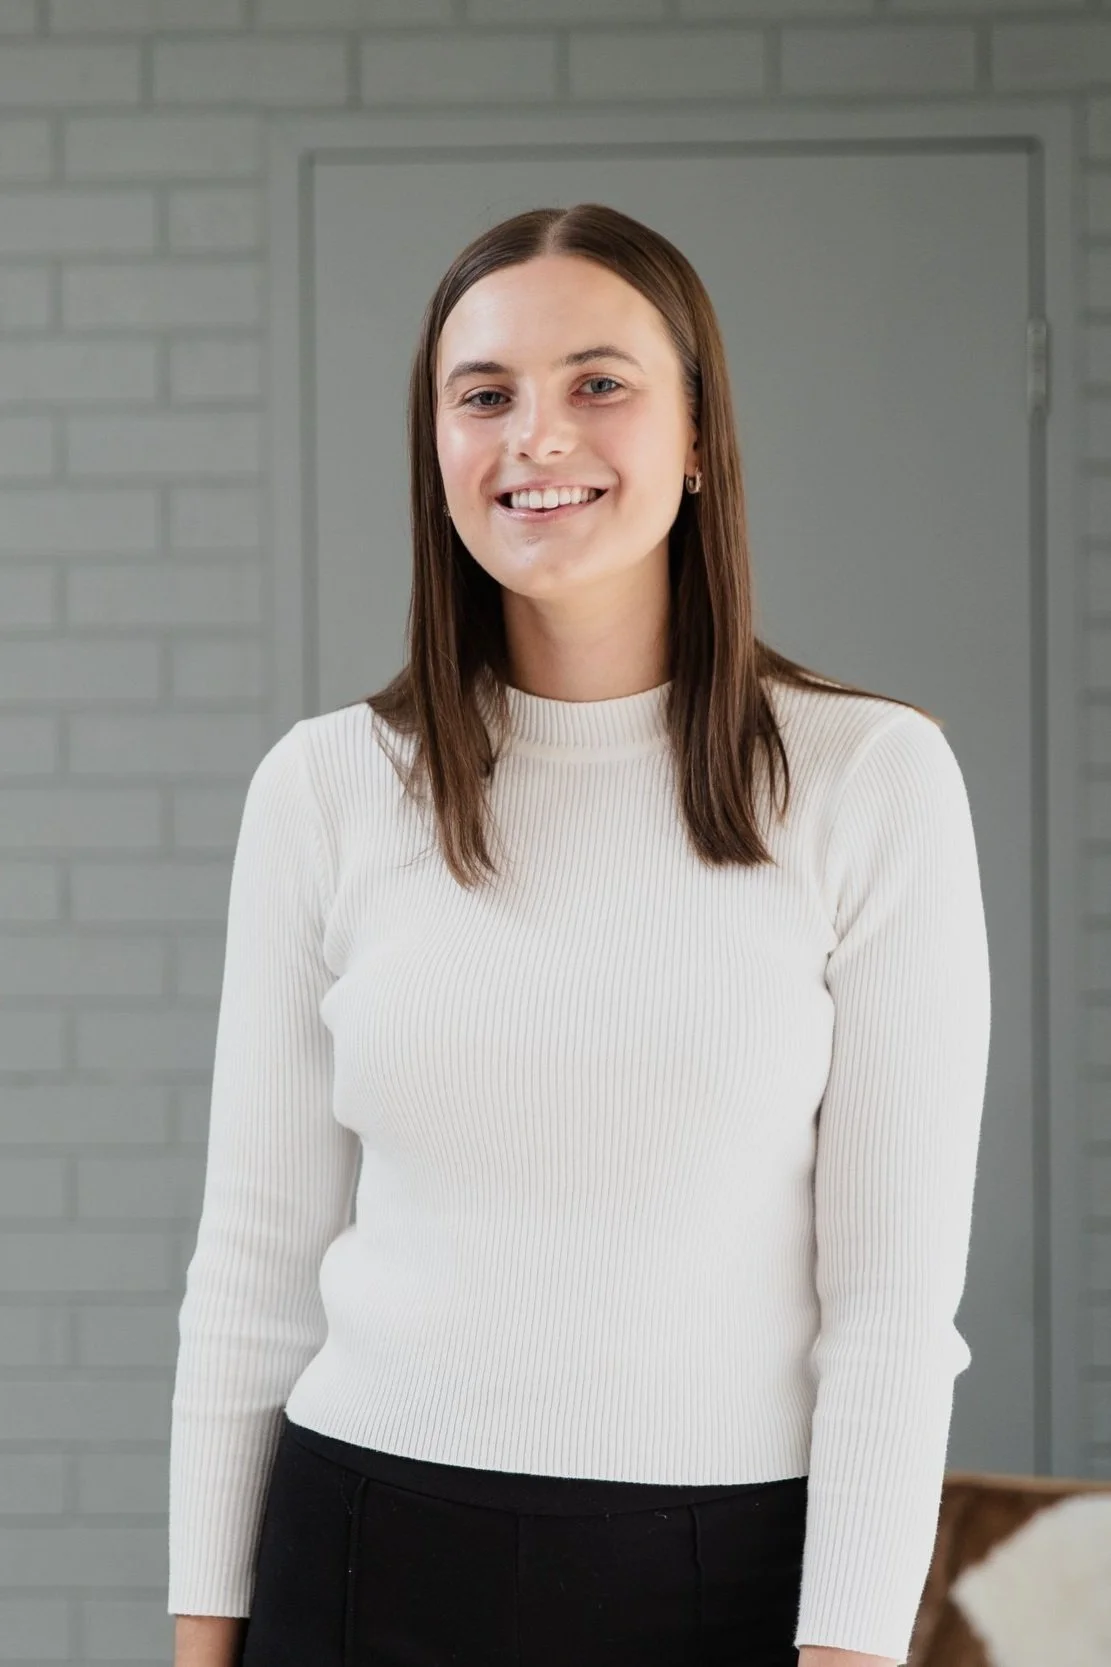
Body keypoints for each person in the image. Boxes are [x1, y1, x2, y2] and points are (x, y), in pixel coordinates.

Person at [167, 203, 992, 1667]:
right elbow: (251, 1264)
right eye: (482, 395)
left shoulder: (869, 780)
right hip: (356, 1555)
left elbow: (890, 1308)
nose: (534, 436)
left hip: (720, 1570)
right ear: (437, 450)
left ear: (692, 437)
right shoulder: (328, 785)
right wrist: (201, 1640)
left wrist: (853, 1642)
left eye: (597, 383)